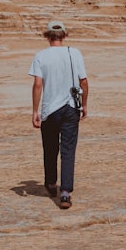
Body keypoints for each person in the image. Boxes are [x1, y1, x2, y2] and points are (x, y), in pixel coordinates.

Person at [29, 19, 88, 209]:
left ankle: (51, 183)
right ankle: (65, 193)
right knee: (68, 150)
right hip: (71, 107)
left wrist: (35, 111)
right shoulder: (75, 53)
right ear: (65, 35)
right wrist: (84, 105)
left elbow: (38, 84)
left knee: (50, 147)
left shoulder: (41, 56)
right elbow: (84, 81)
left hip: (49, 110)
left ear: (46, 36)